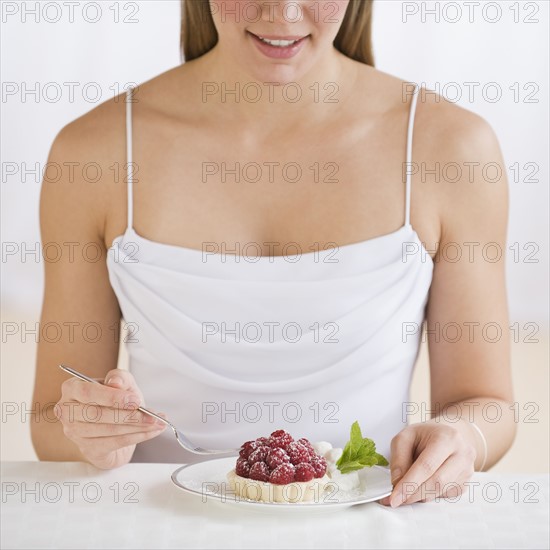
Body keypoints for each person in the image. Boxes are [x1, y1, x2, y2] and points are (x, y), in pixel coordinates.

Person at [31, 0, 515, 507]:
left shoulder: (453, 148)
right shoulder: (92, 152)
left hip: (368, 527)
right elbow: (50, 421)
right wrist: (89, 435)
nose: (282, 13)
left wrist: (462, 437)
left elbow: (486, 405)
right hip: (158, 527)